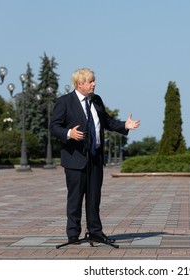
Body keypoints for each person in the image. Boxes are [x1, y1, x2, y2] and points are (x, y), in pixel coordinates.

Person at [50, 68, 140, 245]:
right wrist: (69, 133)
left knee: (94, 198)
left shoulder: (96, 100)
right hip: (75, 159)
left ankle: (95, 232)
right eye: (90, 81)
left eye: (94, 80)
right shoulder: (65, 102)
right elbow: (54, 126)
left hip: (95, 158)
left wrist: (125, 125)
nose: (94, 84)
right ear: (79, 84)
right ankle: (73, 234)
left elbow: (107, 122)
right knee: (75, 198)